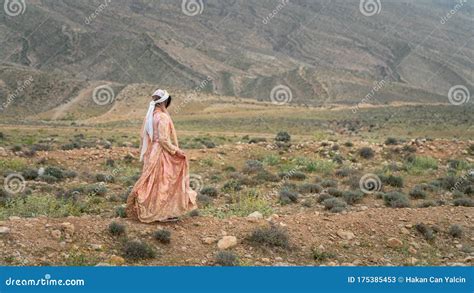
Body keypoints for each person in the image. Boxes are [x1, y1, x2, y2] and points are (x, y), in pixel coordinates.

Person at [126, 89, 197, 222]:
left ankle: (153, 209)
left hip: (152, 151)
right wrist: (175, 151)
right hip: (161, 152)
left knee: (154, 182)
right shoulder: (162, 117)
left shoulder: (150, 116)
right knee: (165, 181)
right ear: (164, 102)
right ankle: (162, 212)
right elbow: (164, 140)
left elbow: (147, 136)